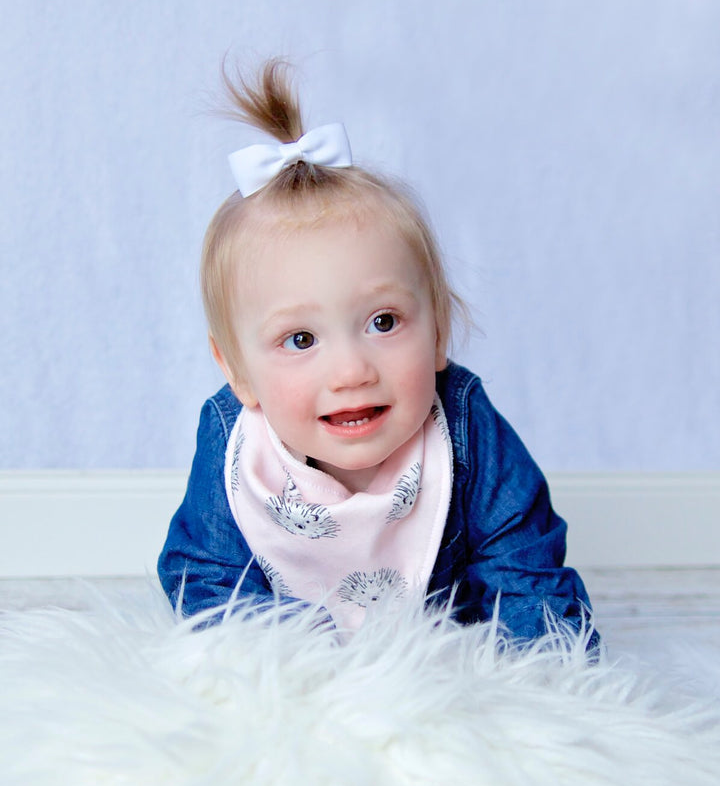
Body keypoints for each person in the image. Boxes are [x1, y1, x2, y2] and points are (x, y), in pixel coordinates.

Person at [158, 58, 595, 641]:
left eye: (383, 322)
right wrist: (289, 669)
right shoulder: (237, 445)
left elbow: (523, 565)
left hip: (442, 638)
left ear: (439, 329)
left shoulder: (462, 424)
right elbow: (208, 580)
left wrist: (542, 676)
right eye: (301, 339)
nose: (351, 371)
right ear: (236, 371)